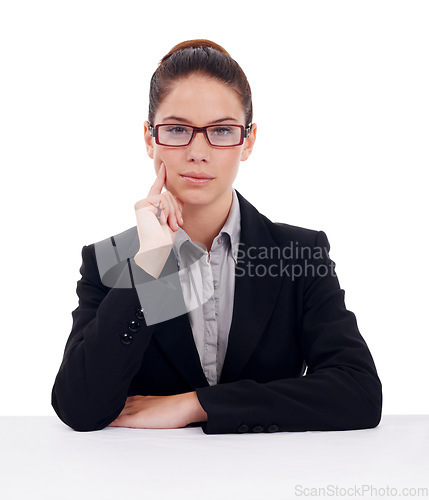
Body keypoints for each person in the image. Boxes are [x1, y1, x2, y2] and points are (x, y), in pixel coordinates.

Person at [51, 39, 382, 434]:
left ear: (248, 141)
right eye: (176, 129)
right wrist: (151, 263)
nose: (198, 151)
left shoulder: (300, 254)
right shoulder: (110, 261)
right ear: (148, 137)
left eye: (222, 131)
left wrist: (196, 406)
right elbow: (79, 408)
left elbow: (359, 393)